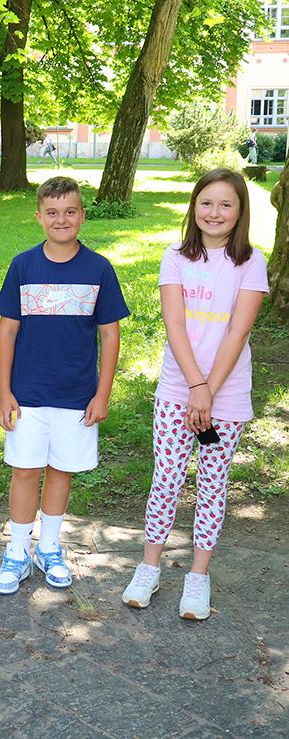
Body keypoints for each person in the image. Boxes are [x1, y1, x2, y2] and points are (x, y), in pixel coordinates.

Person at [122, 168, 266, 620]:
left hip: (227, 395)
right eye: (206, 203)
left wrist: (209, 391)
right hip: (176, 390)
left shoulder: (251, 262)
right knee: (166, 478)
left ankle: (198, 577)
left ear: (240, 211)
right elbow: (175, 325)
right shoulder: (175, 257)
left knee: (212, 485)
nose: (214, 213)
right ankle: (149, 567)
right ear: (194, 207)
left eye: (226, 204)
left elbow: (237, 332)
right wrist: (195, 387)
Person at [0, 176, 129, 595]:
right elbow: (7, 332)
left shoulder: (99, 269)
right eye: (52, 212)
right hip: (27, 395)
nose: (62, 219)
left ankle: (49, 547)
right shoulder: (23, 266)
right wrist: (4, 392)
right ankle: (18, 550)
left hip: (76, 396)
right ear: (39, 217)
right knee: (24, 471)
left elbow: (110, 335)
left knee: (61, 471)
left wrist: (102, 394)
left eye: (70, 211)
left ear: (83, 216)